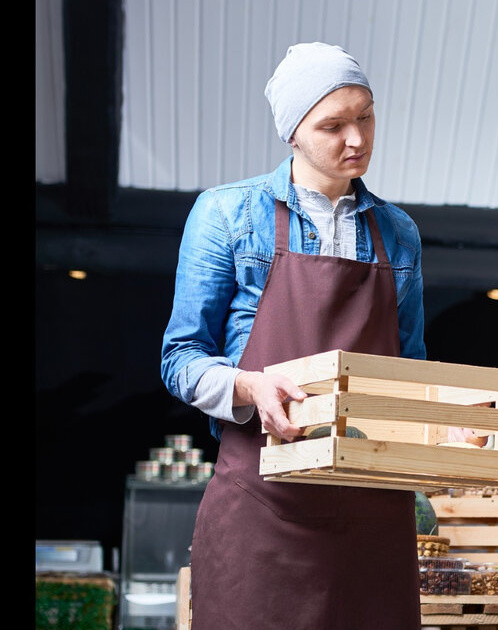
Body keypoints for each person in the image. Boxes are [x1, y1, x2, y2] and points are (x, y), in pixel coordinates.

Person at [160, 42, 425, 629]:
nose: (356, 139)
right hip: (261, 506)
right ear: (293, 133)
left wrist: (439, 429)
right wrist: (253, 387)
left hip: (373, 514)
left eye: (366, 116)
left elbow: (411, 370)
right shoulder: (228, 214)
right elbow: (179, 359)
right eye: (333, 125)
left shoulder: (399, 233)